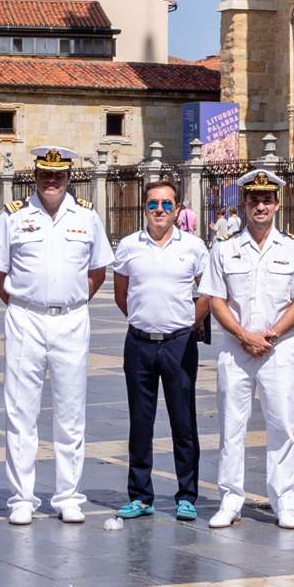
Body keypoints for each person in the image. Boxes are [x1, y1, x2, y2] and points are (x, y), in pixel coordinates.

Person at [0, 146, 114, 526]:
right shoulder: (14, 217)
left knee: (71, 411)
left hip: (72, 320)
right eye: (45, 174)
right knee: (21, 410)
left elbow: (98, 272)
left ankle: (68, 495)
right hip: (25, 318)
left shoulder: (87, 217)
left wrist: (68, 303)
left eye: (58, 174)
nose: (52, 180)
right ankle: (21, 497)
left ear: (69, 177)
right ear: (35, 176)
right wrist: (24, 304)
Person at [200, 169, 294, 529]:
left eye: (267, 199)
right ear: (244, 204)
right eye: (254, 200)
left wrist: (270, 335)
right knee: (232, 426)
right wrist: (243, 335)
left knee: (282, 424)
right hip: (235, 348)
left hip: (278, 348)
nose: (260, 206)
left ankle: (283, 501)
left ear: (278, 204)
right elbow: (216, 300)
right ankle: (230, 499)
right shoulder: (225, 248)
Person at [111, 181, 209, 522]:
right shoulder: (128, 246)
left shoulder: (194, 247)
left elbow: (206, 291)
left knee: (184, 421)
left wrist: (185, 323)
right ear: (144, 207)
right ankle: (140, 495)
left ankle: (187, 494)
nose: (160, 211)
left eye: (167, 205)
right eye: (153, 204)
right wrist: (143, 320)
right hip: (138, 343)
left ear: (178, 209)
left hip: (179, 343)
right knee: (140, 421)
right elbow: (121, 293)